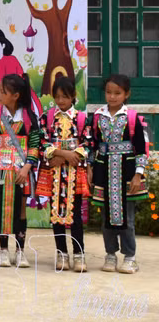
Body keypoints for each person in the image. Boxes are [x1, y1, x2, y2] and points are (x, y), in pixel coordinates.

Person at [90, 74, 149, 274]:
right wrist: (90, 167)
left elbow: (141, 148)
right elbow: (93, 145)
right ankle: (110, 255)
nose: (112, 97)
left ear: (126, 94)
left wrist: (138, 174)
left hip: (127, 171)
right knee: (106, 218)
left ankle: (130, 257)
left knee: (128, 219)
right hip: (103, 170)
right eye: (109, 92)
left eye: (117, 93)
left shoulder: (132, 118)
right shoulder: (98, 116)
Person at [0, 73, 39, 268]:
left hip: (22, 169)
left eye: (2, 91)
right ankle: (4, 251)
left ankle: (21, 251)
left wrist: (27, 167)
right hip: (0, 170)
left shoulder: (29, 116)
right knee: (2, 209)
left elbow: (35, 144)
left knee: (21, 210)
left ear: (15, 95)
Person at [35, 75, 91, 272]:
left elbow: (88, 143)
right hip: (54, 172)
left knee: (75, 215)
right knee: (55, 214)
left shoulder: (82, 118)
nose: (61, 101)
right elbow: (42, 142)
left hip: (74, 172)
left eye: (65, 97)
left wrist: (67, 156)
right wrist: (58, 154)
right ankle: (61, 253)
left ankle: (79, 254)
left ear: (73, 96)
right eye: (57, 97)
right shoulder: (46, 118)